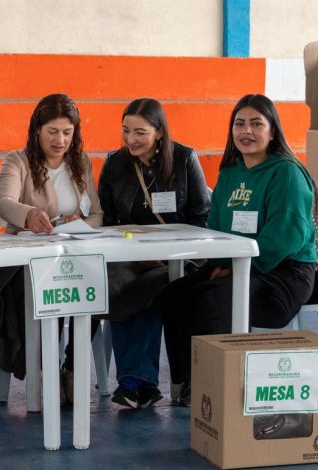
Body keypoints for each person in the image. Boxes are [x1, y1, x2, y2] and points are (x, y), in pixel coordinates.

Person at [157, 93, 318, 407]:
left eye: (256, 124)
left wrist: (235, 267)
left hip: (282, 274)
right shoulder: (230, 172)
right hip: (233, 264)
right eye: (239, 124)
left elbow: (285, 237)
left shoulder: (286, 173)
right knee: (173, 296)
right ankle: (189, 383)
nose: (247, 131)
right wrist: (223, 262)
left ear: (273, 131)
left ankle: (222, 390)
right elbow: (215, 227)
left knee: (214, 299)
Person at [98, 97, 210, 409]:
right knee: (117, 286)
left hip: (179, 258)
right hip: (129, 257)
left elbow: (201, 217)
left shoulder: (184, 159)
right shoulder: (114, 164)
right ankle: (140, 384)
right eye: (126, 131)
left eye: (140, 132)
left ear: (159, 132)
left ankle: (133, 382)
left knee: (155, 285)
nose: (130, 139)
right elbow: (109, 221)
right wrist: (134, 255)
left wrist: (172, 254)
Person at [0, 93, 102, 404]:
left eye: (67, 132)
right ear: (37, 130)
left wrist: (81, 221)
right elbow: (3, 202)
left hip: (73, 255)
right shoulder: (18, 160)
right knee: (45, 289)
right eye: (52, 131)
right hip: (29, 261)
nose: (60, 140)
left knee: (98, 285)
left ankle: (72, 366)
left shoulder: (80, 163)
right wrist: (28, 214)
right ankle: (47, 369)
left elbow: (97, 214)